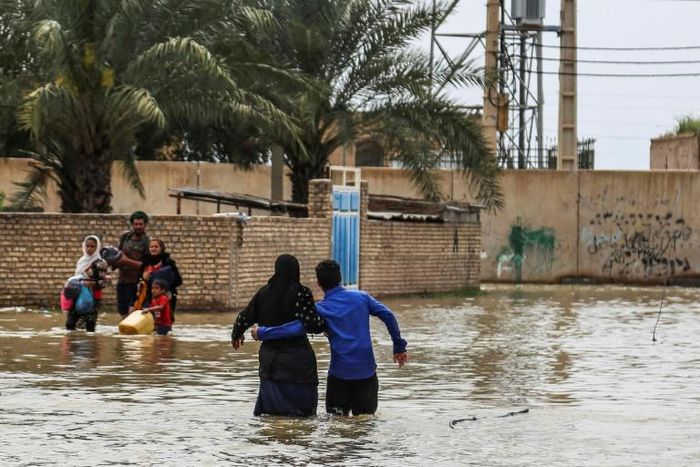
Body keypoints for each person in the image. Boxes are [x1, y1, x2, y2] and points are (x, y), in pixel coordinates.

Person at [255, 259, 408, 416]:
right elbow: (388, 315)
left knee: (336, 425)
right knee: (365, 424)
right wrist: (399, 346)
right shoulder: (362, 298)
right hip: (367, 375)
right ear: (340, 278)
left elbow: (296, 328)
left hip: (339, 377)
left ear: (319, 283)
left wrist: (262, 332)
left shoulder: (321, 308)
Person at [230, 254, 327, 417]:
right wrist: (326, 324)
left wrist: (236, 334)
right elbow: (312, 324)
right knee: (302, 420)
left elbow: (244, 317)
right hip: (298, 365)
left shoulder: (264, 293)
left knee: (271, 417)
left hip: (271, 365)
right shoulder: (301, 293)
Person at [65, 235, 112, 332]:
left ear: (97, 247)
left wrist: (93, 284)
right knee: (70, 324)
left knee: (89, 326)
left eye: (92, 246)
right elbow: (76, 277)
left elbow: (106, 281)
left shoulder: (101, 263)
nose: (89, 248)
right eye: (87, 246)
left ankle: (90, 346)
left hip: (93, 298)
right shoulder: (81, 261)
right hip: (78, 295)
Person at [135, 238, 183, 317]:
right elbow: (138, 281)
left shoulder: (168, 263)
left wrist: (164, 286)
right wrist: (143, 277)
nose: (153, 249)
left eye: (156, 247)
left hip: (166, 296)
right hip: (148, 297)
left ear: (161, 248)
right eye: (151, 247)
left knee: (165, 320)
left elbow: (178, 280)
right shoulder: (145, 263)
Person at [116, 211, 150, 318]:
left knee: (133, 313)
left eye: (140, 224)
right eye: (136, 224)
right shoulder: (125, 237)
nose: (138, 227)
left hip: (137, 284)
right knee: (122, 313)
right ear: (132, 225)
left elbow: (146, 266)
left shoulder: (147, 242)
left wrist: (126, 261)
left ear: (145, 225)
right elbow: (118, 255)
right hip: (122, 281)